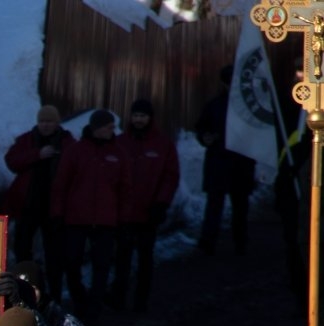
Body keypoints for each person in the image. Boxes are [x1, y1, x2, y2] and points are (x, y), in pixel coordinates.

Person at [51, 108, 129, 324]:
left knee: (102, 265)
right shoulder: (76, 151)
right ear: (96, 128)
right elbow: (61, 184)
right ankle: (80, 300)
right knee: (72, 262)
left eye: (112, 127)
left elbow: (124, 188)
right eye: (107, 127)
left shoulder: (118, 153)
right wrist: (58, 213)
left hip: (106, 219)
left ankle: (94, 307)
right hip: (77, 218)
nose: (111, 131)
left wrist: (121, 218)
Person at [110, 98, 179, 313]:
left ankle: (141, 301)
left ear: (150, 118)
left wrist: (161, 203)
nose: (139, 120)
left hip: (149, 213)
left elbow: (170, 176)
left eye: (143, 116)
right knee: (121, 259)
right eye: (136, 115)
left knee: (145, 260)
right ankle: (118, 299)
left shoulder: (162, 144)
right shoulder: (120, 142)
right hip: (123, 213)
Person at [4, 105, 75, 300]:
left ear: (57, 123)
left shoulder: (67, 142)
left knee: (54, 254)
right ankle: (23, 292)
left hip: (55, 208)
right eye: (42, 121)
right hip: (28, 206)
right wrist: (37, 154)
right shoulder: (27, 140)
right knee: (22, 252)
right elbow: (12, 161)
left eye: (49, 121)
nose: (45, 125)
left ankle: (54, 295)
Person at [194, 65, 257, 256]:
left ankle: (240, 242)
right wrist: (205, 137)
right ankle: (209, 242)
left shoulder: (250, 105)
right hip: (219, 160)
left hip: (240, 161)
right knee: (215, 204)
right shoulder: (215, 105)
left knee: (239, 206)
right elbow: (201, 127)